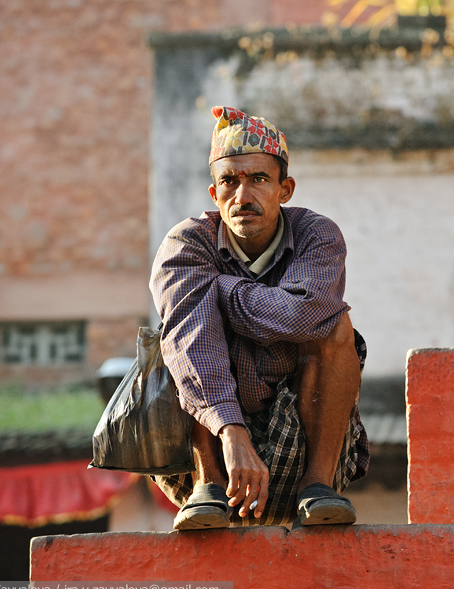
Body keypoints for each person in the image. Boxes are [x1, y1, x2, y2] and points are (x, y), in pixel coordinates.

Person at [149, 106, 368, 530]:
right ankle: (207, 486)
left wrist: (224, 291)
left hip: (297, 437)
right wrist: (231, 431)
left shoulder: (317, 235)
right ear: (214, 195)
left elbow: (305, 316)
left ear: (285, 189)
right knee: (179, 337)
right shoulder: (186, 243)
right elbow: (191, 343)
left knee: (336, 326)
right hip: (209, 443)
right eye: (229, 181)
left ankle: (319, 486)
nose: (243, 196)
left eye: (259, 180)